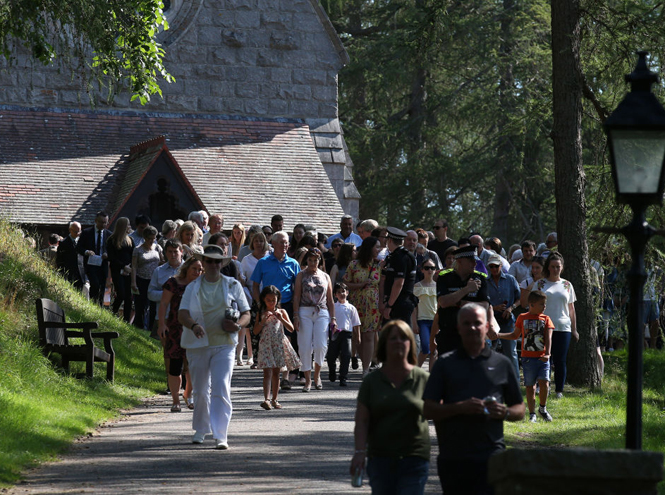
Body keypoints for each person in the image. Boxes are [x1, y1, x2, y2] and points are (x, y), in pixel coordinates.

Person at [423, 303, 525, 495]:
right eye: (466, 323)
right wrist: (460, 408)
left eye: (477, 323)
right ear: (458, 328)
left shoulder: (501, 363)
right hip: (454, 456)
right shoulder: (445, 364)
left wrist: (504, 412)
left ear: (487, 327)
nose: (472, 327)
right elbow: (428, 409)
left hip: (491, 455)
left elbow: (519, 409)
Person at [178, 244, 251, 449]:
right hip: (198, 344)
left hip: (225, 344)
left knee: (221, 387)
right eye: (208, 260)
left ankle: (221, 435)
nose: (212, 264)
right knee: (200, 390)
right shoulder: (193, 286)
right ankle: (201, 429)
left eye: (216, 261)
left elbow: (246, 313)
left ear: (222, 263)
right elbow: (182, 314)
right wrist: (193, 325)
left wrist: (237, 325)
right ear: (203, 262)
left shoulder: (232, 284)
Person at [351, 320, 430, 495]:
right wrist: (359, 452)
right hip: (380, 457)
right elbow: (362, 420)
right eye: (393, 338)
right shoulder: (371, 381)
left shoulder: (423, 378)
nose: (399, 342)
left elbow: (438, 413)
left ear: (411, 342)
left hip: (414, 457)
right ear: (384, 344)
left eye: (404, 338)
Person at [251, 231, 300, 390]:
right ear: (274, 244)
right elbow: (255, 285)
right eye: (282, 242)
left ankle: (284, 377)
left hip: (285, 304)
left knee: (287, 339)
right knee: (267, 338)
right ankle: (269, 374)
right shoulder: (263, 262)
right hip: (267, 305)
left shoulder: (293, 263)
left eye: (287, 243)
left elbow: (297, 288)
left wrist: (295, 310)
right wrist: (260, 304)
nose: (285, 245)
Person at [498, 290, 554, 422]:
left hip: (542, 357)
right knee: (530, 386)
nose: (544, 307)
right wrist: (499, 335)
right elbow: (514, 335)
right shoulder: (522, 317)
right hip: (528, 358)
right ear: (532, 304)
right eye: (541, 304)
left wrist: (547, 354)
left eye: (545, 304)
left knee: (545, 383)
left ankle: (543, 408)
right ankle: (532, 413)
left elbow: (549, 337)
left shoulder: (546, 319)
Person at [158, 256, 203, 412]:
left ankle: (188, 395)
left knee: (191, 366)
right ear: (187, 268)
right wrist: (161, 324)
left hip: (194, 328)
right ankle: (175, 400)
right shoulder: (173, 283)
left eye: (200, 270)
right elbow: (163, 303)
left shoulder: (201, 285)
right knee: (175, 365)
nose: (197, 272)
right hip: (175, 329)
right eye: (194, 269)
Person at [531, 252, 578, 398]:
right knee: (543, 358)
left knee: (560, 360)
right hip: (542, 325)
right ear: (548, 267)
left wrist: (574, 329)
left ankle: (559, 390)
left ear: (562, 267)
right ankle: (542, 386)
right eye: (553, 266)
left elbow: (571, 309)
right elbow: (531, 306)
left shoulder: (567, 285)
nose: (555, 269)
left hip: (563, 327)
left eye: (558, 266)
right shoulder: (540, 284)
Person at [434, 245, 490, 355]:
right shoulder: (444, 278)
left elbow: (484, 307)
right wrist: (466, 289)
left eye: (475, 261)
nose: (475, 264)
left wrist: (458, 302)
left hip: (472, 337)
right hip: (448, 336)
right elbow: (443, 302)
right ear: (459, 261)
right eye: (471, 261)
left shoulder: (480, 279)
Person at [293, 248, 335, 391]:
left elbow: (330, 299)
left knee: (320, 345)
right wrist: (296, 315)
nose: (312, 263)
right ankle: (307, 379)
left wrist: (333, 318)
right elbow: (297, 296)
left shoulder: (325, 276)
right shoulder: (301, 275)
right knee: (304, 346)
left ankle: (317, 375)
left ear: (319, 261)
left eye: (315, 260)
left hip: (321, 310)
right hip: (305, 310)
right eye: (310, 260)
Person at [253, 286, 300, 410]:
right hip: (266, 345)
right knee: (267, 372)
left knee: (276, 372)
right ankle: (266, 399)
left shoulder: (282, 312)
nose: (271, 303)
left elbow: (291, 328)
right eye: (268, 300)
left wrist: (282, 318)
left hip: (278, 344)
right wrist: (263, 320)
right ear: (263, 300)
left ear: (277, 300)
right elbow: (256, 331)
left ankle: (275, 399)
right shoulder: (261, 313)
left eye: (273, 300)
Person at [343, 237, 382, 375]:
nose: (379, 249)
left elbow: (381, 287)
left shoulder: (379, 265)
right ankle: (361, 360)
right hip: (356, 304)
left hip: (373, 306)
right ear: (369, 247)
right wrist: (360, 285)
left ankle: (366, 369)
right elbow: (345, 284)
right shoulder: (353, 265)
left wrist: (382, 305)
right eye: (377, 247)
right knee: (357, 336)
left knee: (370, 336)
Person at [486, 254, 521, 378]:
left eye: (496, 266)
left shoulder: (510, 280)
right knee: (488, 351)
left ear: (501, 266)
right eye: (491, 267)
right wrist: (494, 308)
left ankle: (515, 383)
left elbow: (519, 298)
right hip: (491, 321)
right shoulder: (485, 282)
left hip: (507, 320)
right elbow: (483, 302)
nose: (494, 269)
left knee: (511, 352)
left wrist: (511, 308)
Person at [379, 227, 417, 324]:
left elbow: (398, 283)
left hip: (399, 303)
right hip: (395, 302)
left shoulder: (401, 257)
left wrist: (389, 306)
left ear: (390, 240)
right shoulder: (393, 256)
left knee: (399, 336)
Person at [327, 282, 361, 387]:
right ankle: (332, 370)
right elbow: (328, 320)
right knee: (331, 355)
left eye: (343, 291)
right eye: (338, 292)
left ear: (347, 293)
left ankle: (343, 377)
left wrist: (358, 336)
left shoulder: (351, 308)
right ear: (335, 295)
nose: (341, 294)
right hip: (335, 333)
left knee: (346, 355)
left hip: (347, 334)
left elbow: (356, 323)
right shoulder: (333, 307)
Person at [131, 226, 163, 330]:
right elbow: (134, 266)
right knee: (141, 305)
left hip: (154, 281)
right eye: (149, 238)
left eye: (153, 238)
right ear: (145, 237)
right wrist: (133, 282)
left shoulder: (157, 248)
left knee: (153, 306)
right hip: (141, 280)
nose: (151, 240)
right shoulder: (138, 250)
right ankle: (139, 327)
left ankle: (151, 328)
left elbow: (163, 262)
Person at [77, 211, 112, 306]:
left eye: (105, 222)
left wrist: (107, 254)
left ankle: (99, 306)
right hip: (91, 264)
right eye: (101, 222)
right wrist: (87, 252)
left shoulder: (109, 234)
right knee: (95, 285)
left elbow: (112, 250)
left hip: (103, 264)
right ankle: (92, 304)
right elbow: (79, 247)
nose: (103, 224)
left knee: (101, 286)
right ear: (96, 221)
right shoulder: (86, 232)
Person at [106, 217, 135, 322]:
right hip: (117, 270)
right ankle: (113, 312)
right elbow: (112, 257)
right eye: (128, 225)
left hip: (128, 271)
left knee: (128, 296)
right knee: (121, 293)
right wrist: (123, 266)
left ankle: (126, 320)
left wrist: (131, 267)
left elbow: (133, 254)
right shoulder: (112, 240)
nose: (130, 227)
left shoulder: (130, 240)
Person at [413, 259, 437, 366]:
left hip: (436, 321)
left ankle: (432, 378)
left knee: (434, 349)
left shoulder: (438, 286)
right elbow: (414, 307)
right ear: (422, 270)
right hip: (422, 320)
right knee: (426, 347)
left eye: (432, 268)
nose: (429, 270)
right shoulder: (417, 286)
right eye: (427, 268)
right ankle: (414, 372)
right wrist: (414, 323)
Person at [57, 221, 84, 289]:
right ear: (70, 230)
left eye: (79, 231)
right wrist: (62, 273)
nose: (77, 234)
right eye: (75, 232)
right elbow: (60, 260)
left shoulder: (82, 242)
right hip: (69, 273)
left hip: (80, 273)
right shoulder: (63, 243)